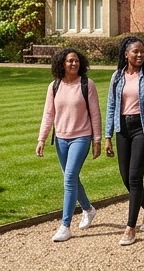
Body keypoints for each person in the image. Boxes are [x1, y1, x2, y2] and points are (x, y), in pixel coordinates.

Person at [103, 36, 144, 246]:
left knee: (135, 177)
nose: (140, 55)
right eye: (135, 52)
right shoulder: (117, 77)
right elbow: (111, 107)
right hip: (122, 128)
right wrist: (108, 136)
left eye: (142, 52)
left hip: (142, 128)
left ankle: (130, 227)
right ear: (126, 54)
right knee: (125, 178)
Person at [36, 47, 102, 242]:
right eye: (69, 61)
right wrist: (41, 139)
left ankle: (65, 225)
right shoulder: (54, 86)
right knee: (71, 178)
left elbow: (95, 113)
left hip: (81, 136)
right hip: (61, 138)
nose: (74, 64)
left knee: (70, 177)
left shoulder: (86, 84)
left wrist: (96, 140)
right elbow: (49, 114)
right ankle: (88, 209)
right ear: (62, 64)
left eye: (76, 61)